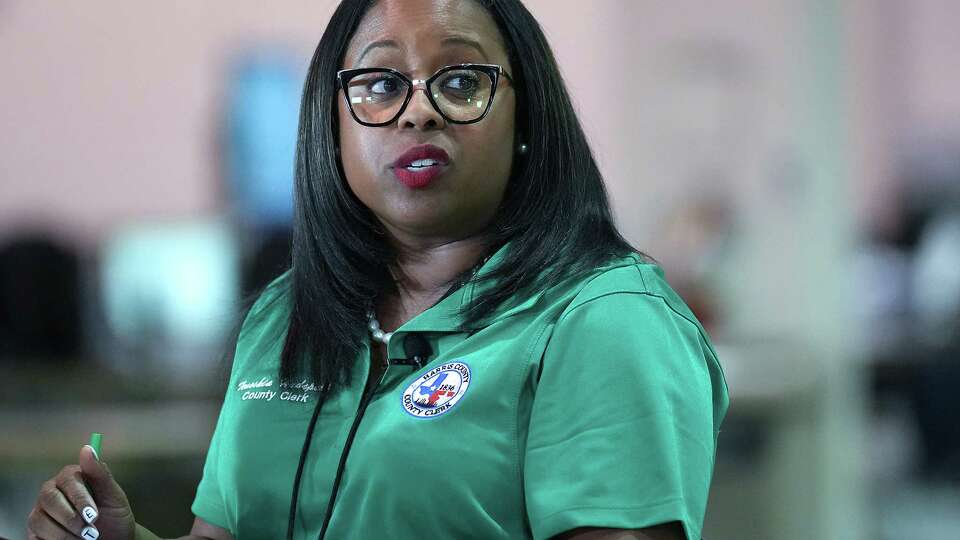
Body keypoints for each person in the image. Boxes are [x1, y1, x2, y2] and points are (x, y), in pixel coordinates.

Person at [27, 0, 729, 539]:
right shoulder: (287, 312)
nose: (417, 111)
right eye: (380, 83)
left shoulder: (603, 320)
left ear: (527, 118)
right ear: (330, 124)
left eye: (460, 81)